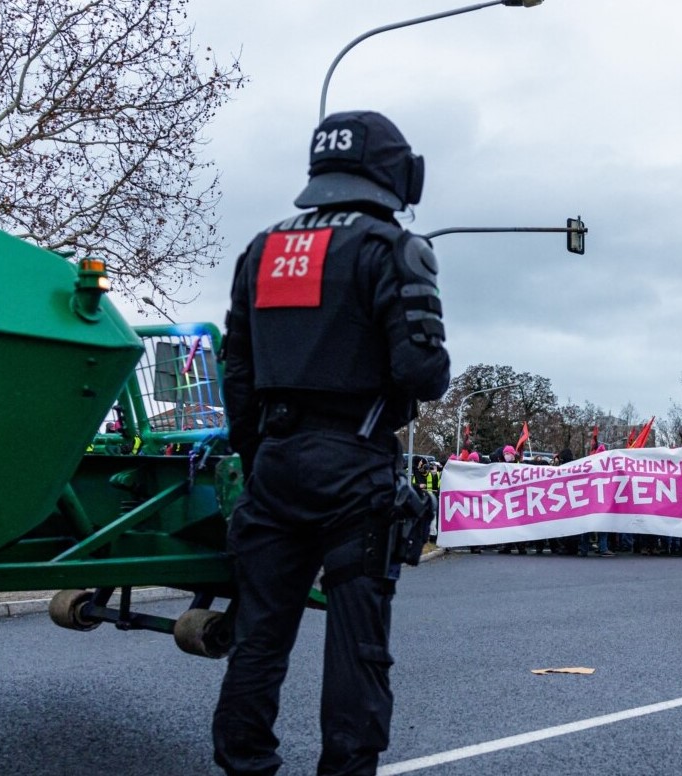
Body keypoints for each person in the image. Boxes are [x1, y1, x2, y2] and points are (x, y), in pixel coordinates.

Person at [215, 110, 450, 776]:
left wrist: (259, 458)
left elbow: (238, 373)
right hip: (354, 467)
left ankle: (244, 764)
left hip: (275, 466)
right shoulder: (391, 247)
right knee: (357, 649)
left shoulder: (260, 250)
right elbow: (421, 373)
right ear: (394, 174)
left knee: (259, 639)